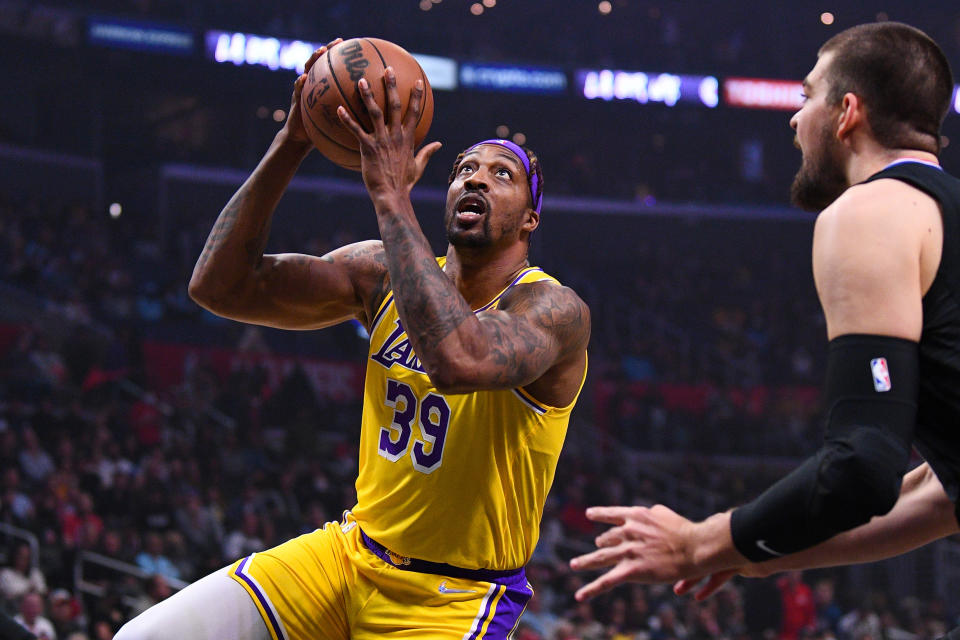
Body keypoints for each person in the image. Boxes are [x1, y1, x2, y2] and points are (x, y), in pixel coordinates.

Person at [116, 37, 589, 640]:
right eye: (465, 170)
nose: (477, 180)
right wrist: (294, 139)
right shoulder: (382, 272)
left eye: (502, 174)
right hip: (349, 557)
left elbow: (458, 358)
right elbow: (220, 286)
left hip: (453, 597)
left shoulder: (552, 309)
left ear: (530, 218)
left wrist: (390, 196)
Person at [569, 20, 960, 609]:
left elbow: (863, 466)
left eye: (807, 96)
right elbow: (938, 493)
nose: (794, 117)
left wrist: (700, 543)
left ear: (846, 112)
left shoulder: (870, 211)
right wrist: (744, 548)